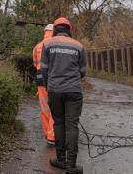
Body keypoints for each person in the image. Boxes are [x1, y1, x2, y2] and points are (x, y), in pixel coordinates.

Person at [40, 17, 85, 174]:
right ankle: (71, 165)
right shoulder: (78, 46)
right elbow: (83, 71)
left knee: (58, 123)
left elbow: (44, 69)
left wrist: (49, 85)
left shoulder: (47, 44)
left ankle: (60, 160)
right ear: (69, 29)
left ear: (55, 29)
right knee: (71, 124)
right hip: (73, 91)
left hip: (55, 90)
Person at [32, 24, 56, 146]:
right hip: (53, 81)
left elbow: (35, 64)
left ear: (45, 32)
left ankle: (47, 133)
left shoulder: (37, 47)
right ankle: (52, 136)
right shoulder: (55, 45)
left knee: (44, 108)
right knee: (55, 108)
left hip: (41, 81)